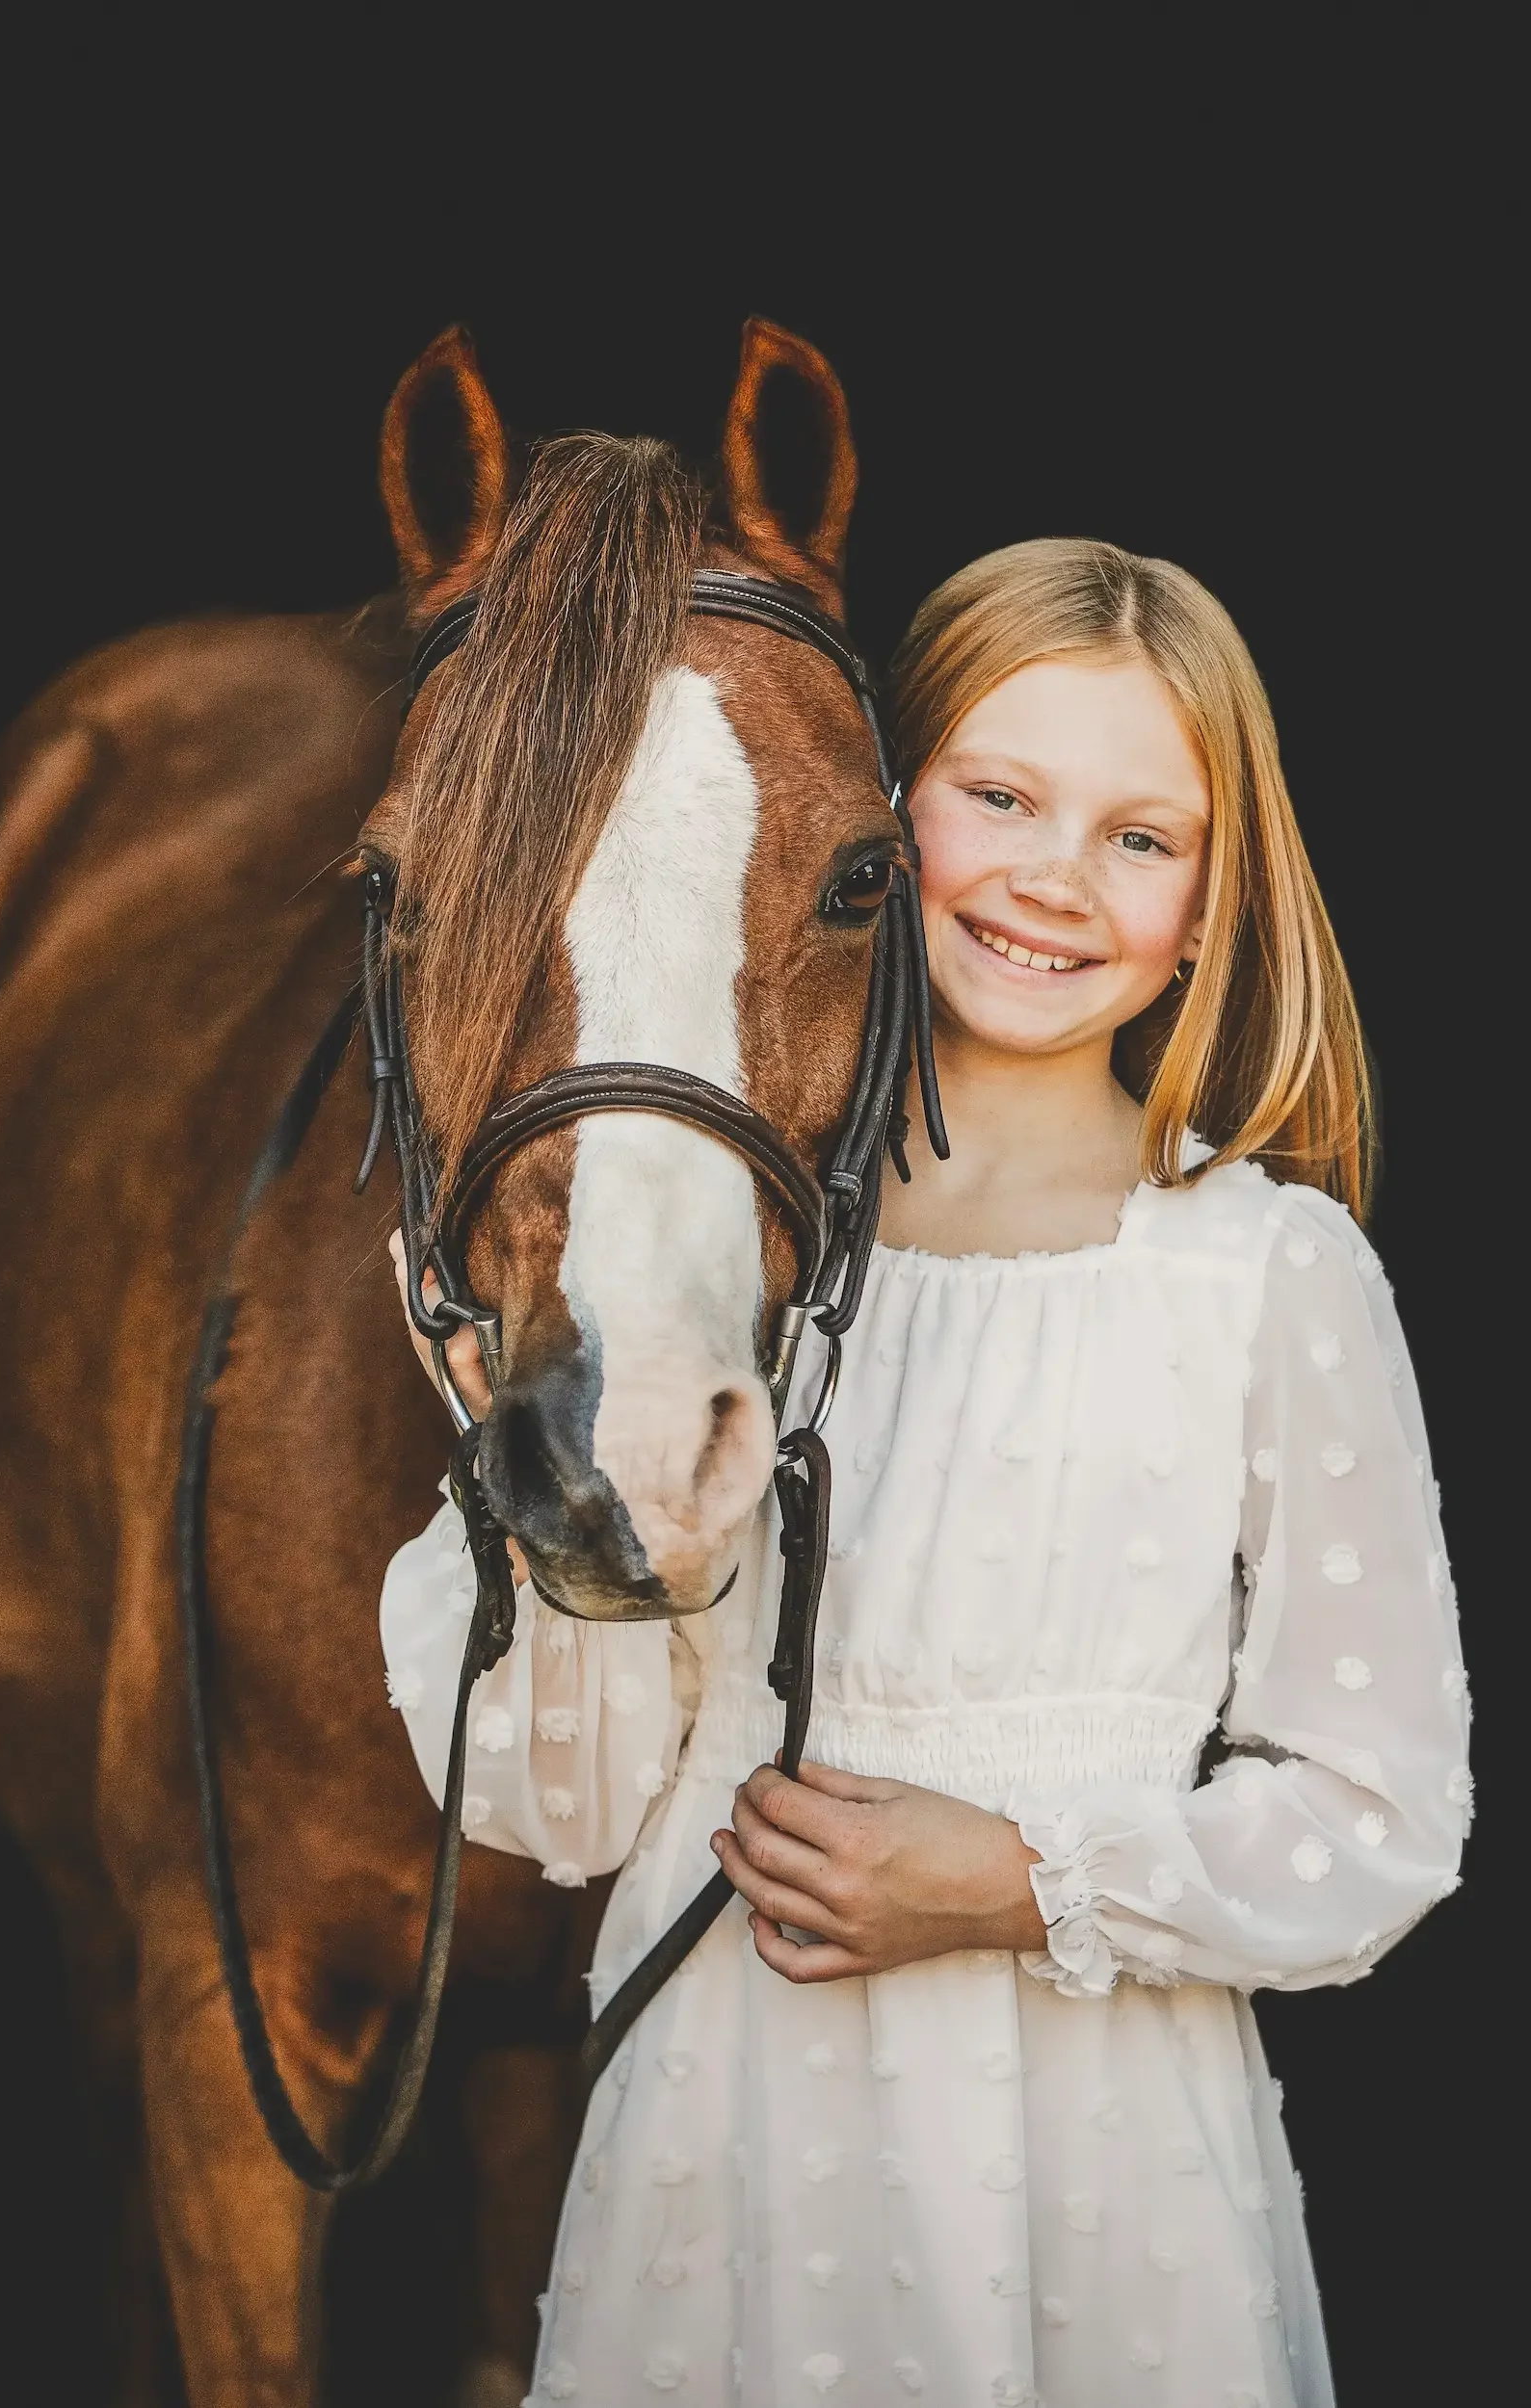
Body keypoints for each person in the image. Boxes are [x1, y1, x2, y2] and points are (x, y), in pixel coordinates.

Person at [382, 538, 1469, 2406]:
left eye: (1140, 835)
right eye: (998, 794)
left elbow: (1378, 1816)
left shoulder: (1260, 1272)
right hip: (722, 2132)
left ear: (1211, 901)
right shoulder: (715, 1248)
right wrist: (539, 1496)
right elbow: (550, 1808)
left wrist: (1015, 1879)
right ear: (881, 809)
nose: (1054, 875)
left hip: (1096, 2157)